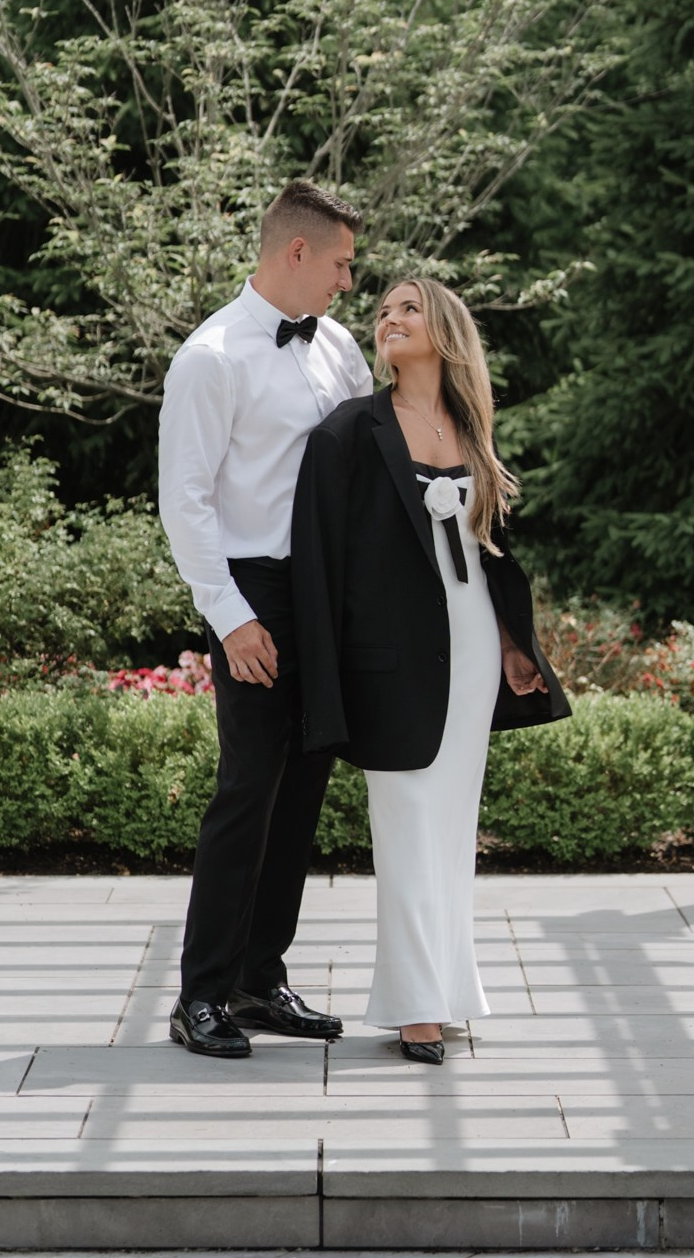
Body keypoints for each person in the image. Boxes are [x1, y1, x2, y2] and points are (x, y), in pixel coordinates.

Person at [290, 276, 568, 1060]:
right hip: (390, 662)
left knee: (450, 830)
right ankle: (415, 1004)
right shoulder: (349, 431)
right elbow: (319, 563)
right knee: (408, 828)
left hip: (473, 650)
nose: (389, 318)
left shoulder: (473, 429)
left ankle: (449, 989)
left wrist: (514, 645)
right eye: (383, 311)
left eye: (408, 308)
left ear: (444, 329)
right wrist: (326, 681)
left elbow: (491, 553)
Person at [157, 181, 371, 1058]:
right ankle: (200, 995)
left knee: (306, 783)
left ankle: (258, 978)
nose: (348, 282)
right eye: (342, 265)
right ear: (297, 252)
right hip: (254, 591)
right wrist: (231, 617)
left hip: (327, 590)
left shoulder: (339, 347)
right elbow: (186, 500)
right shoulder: (210, 358)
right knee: (249, 788)